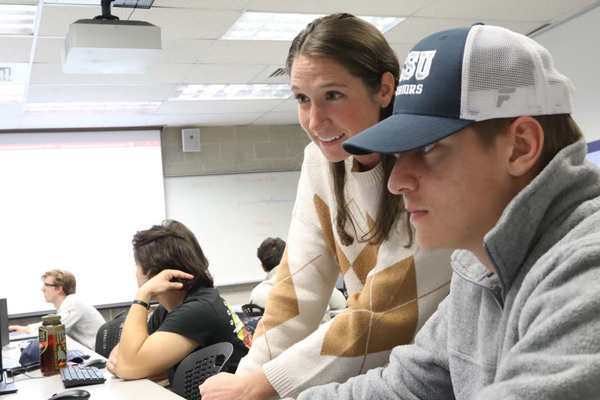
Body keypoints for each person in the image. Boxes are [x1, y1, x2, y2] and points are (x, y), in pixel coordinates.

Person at [295, 24, 600, 400]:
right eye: (399, 154)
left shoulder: (588, 268)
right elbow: (403, 387)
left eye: (427, 149)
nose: (397, 181)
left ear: (520, 146)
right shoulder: (476, 268)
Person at [199, 13, 452, 400]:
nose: (315, 120)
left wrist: (258, 386)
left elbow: (385, 312)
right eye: (302, 99)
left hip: (436, 381)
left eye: (332, 95)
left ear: (385, 90)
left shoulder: (423, 168)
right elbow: (293, 292)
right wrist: (244, 383)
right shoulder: (319, 163)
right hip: (370, 383)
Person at [106, 219, 251, 384]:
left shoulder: (198, 310)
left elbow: (128, 366)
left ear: (153, 273)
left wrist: (143, 294)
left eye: (137, 266)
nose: (135, 274)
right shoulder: (172, 308)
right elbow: (130, 354)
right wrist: (124, 358)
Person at [250, 237, 346, 322]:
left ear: (263, 267)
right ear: (288, 257)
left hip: (287, 341)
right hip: (323, 339)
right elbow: (340, 303)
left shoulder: (258, 293)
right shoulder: (315, 280)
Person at [9, 269, 105, 350]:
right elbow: (51, 324)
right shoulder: (69, 303)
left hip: (95, 356)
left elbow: (51, 331)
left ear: (59, 289)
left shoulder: (73, 304)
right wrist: (26, 328)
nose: (42, 289)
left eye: (46, 285)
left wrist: (27, 330)